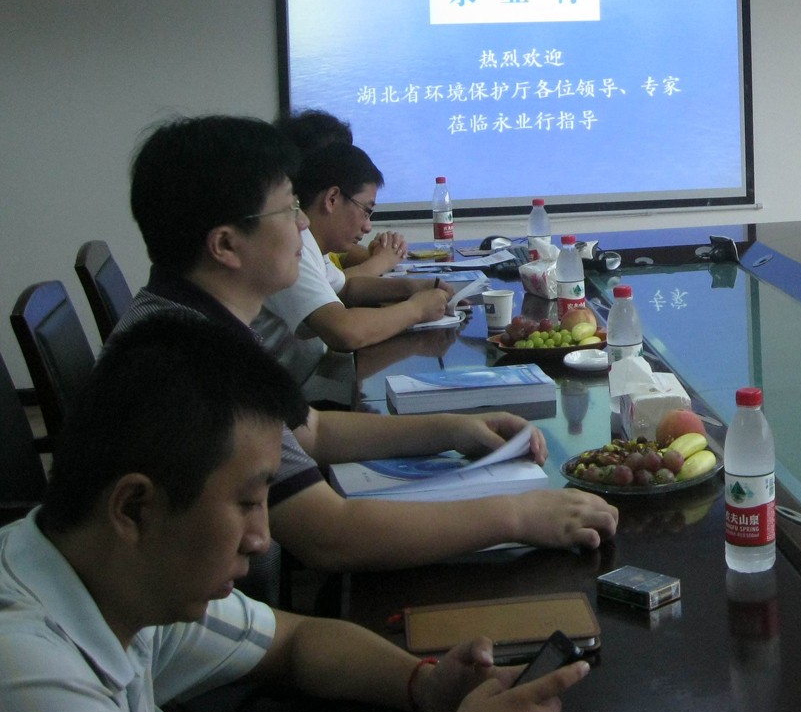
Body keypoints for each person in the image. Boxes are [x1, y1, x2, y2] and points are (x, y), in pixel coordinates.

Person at [0, 313, 586, 712]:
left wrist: (424, 685)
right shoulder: (29, 676)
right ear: (133, 509)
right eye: (247, 503)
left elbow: (297, 642)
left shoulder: (126, 582)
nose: (262, 539)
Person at [117, 115, 617, 573]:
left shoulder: (193, 325)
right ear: (226, 245)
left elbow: (312, 432)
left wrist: (457, 428)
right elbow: (331, 535)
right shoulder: (195, 367)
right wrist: (518, 515)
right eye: (289, 209)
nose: (304, 224)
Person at [252, 141, 450, 391]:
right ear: (332, 199)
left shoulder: (313, 245)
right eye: (366, 211)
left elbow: (346, 288)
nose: (368, 226)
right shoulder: (293, 245)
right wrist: (417, 309)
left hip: (305, 384)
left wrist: (414, 287)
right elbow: (345, 332)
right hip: (281, 397)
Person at [276, 109, 408, 277]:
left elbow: (342, 265)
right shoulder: (297, 239)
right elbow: (331, 288)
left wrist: (378, 254)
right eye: (338, 154)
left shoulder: (320, 237)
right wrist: (381, 261)